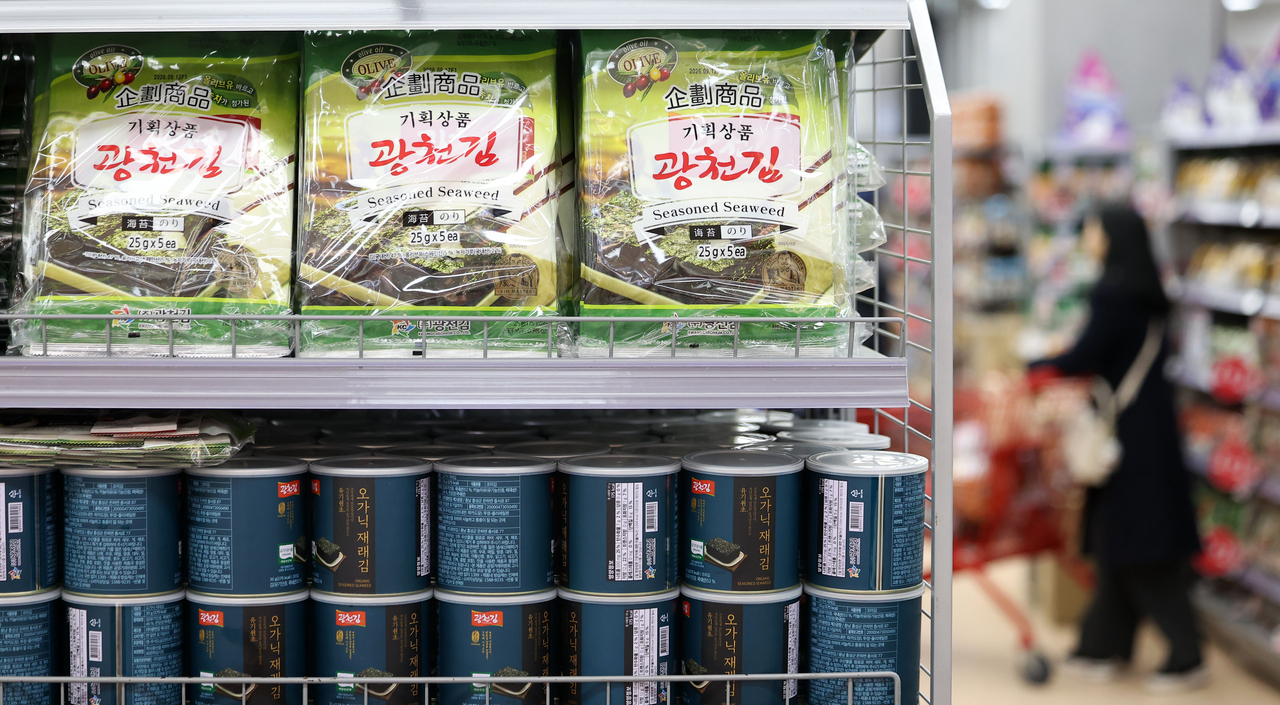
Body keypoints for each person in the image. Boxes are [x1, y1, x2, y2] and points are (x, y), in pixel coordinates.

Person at [1029, 204, 1204, 693]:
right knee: (1119, 538)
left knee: (1141, 545)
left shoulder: (1113, 292)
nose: (1088, 237)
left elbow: (1086, 353)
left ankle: (1187, 655)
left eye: (1092, 229)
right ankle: (1103, 644)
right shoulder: (1148, 292)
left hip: (1126, 439)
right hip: (1151, 430)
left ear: (1109, 236)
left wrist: (1038, 361)